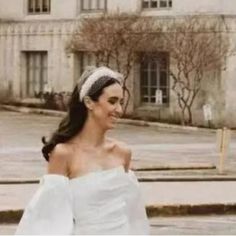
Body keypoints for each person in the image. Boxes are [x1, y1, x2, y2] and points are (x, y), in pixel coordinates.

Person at [15, 66, 150, 235]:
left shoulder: (122, 153)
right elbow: (48, 221)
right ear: (89, 102)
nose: (119, 110)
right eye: (112, 101)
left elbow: (134, 217)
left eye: (121, 102)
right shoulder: (64, 154)